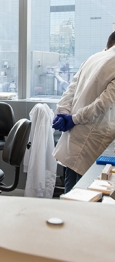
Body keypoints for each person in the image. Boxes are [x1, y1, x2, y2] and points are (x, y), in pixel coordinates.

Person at [52, 31, 115, 193]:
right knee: (85, 192)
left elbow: (70, 89)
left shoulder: (93, 58)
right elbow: (103, 104)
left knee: (71, 188)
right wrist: (73, 118)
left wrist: (63, 112)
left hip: (75, 134)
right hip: (93, 137)